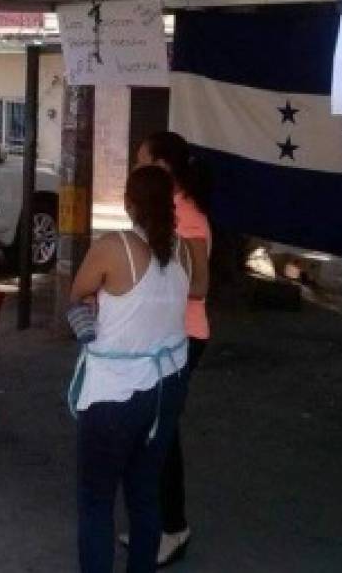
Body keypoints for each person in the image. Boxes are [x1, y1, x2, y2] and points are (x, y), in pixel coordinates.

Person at [69, 165, 208, 573]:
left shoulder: (115, 247)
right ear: (170, 204)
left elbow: (77, 294)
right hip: (166, 388)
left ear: (129, 204)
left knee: (96, 501)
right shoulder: (183, 249)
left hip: (115, 394)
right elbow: (197, 289)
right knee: (144, 496)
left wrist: (94, 309)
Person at [134, 131, 211, 566]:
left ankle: (173, 528)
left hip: (183, 336)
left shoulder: (188, 217)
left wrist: (157, 287)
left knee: (161, 434)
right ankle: (158, 524)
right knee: (153, 431)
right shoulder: (163, 210)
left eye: (142, 161)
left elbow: (198, 284)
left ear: (163, 167)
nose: (136, 168)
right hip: (160, 335)